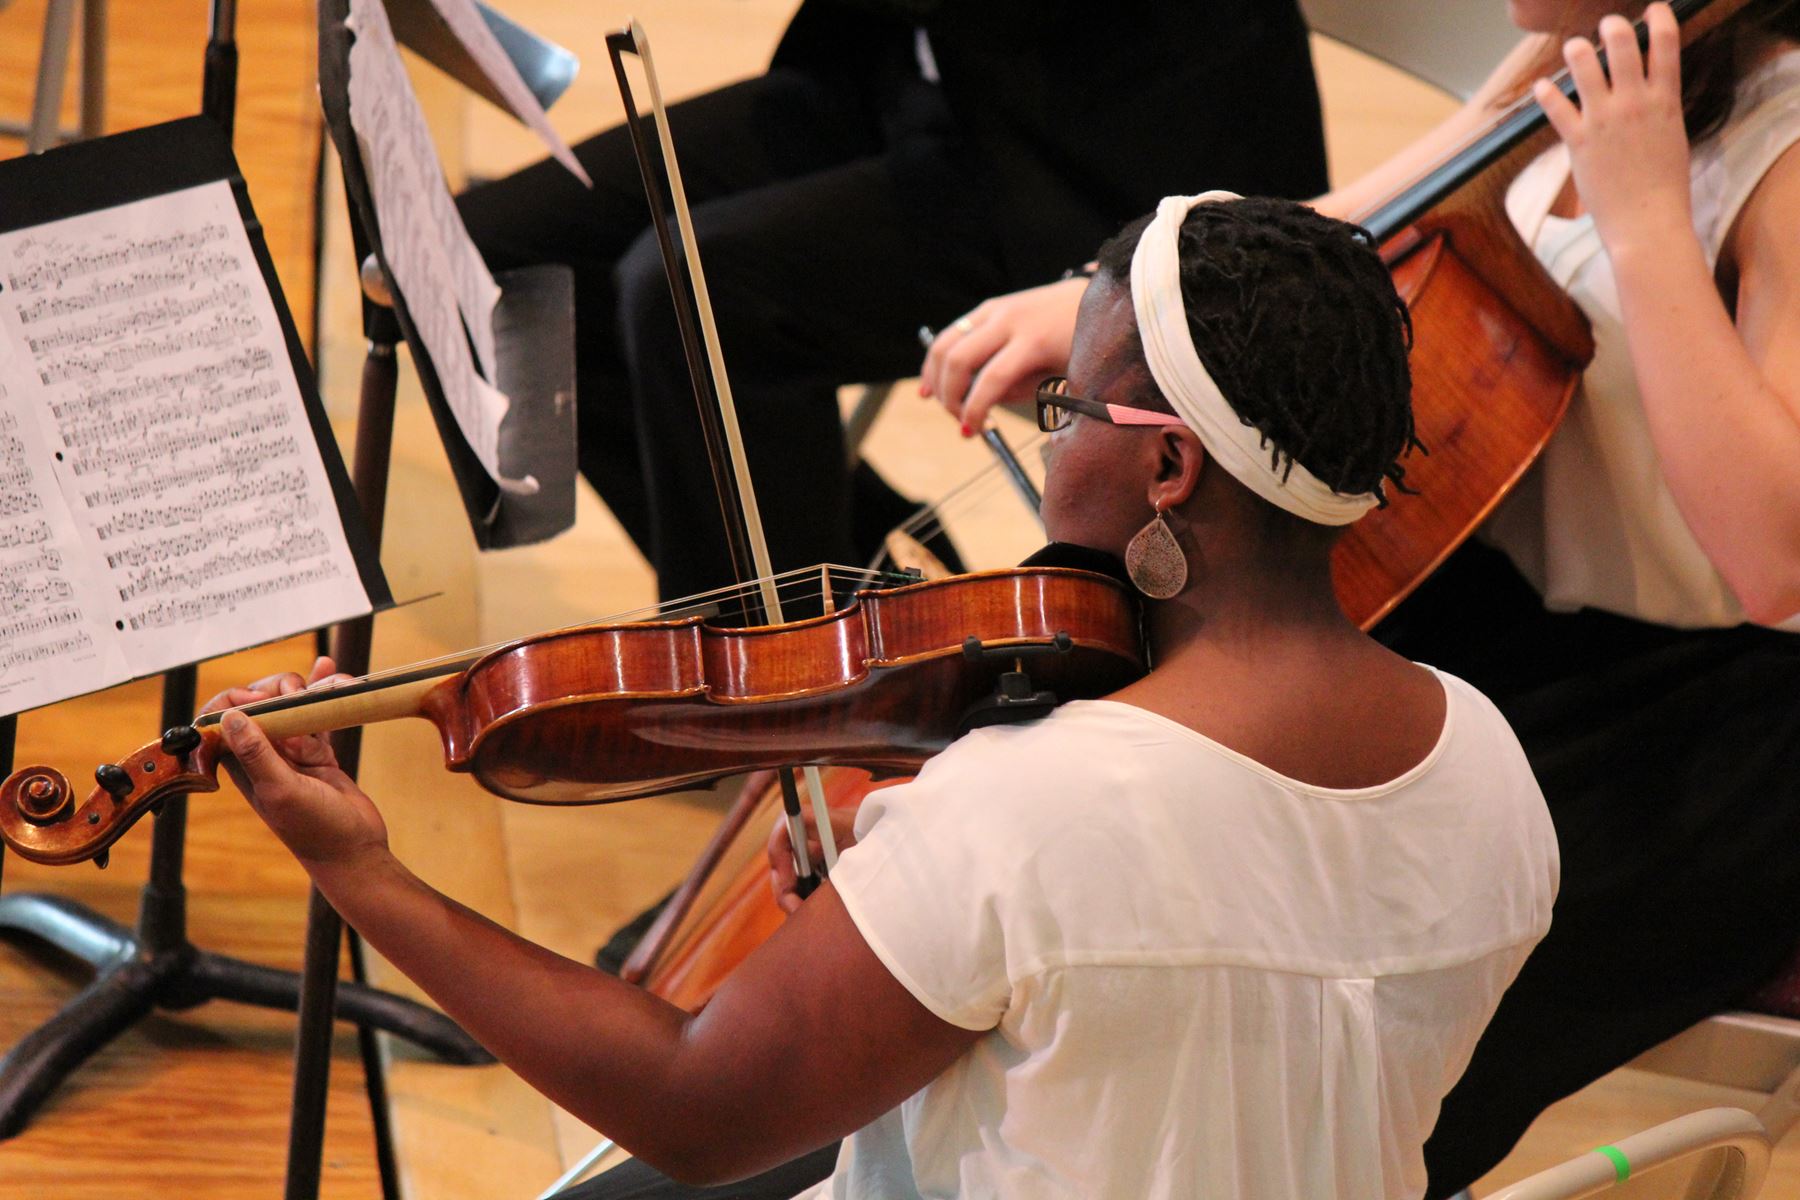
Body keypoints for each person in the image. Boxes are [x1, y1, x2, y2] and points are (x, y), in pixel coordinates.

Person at [205, 196, 1557, 1199]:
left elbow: (694, 1109)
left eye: (1066, 411)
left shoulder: (1029, 805)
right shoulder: (1496, 768)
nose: (1051, 444)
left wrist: (366, 875)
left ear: (1170, 473)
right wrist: (924, 919)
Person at [918, 4, 1800, 1194]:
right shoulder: (1572, 47)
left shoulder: (1783, 151)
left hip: (1710, 722)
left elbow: (1771, 558)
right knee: (1184, 881)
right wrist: (1114, 317)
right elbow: (1358, 230)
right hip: (1492, 606)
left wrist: (1644, 220)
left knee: (1345, 1041)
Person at [456, 0, 1328, 606]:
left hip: (1101, 152)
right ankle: (853, 574)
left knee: (698, 289)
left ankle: (801, 694)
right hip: (913, 72)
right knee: (508, 255)